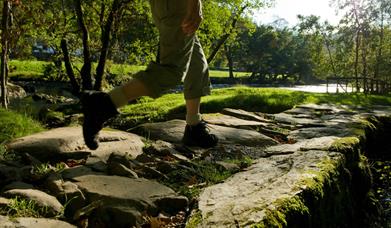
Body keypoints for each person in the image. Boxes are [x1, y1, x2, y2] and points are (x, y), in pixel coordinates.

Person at [81, 0, 218, 150]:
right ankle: (105, 103)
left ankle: (194, 127)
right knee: (171, 70)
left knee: (196, 65)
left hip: (168, 6)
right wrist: (195, 4)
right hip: (178, 5)